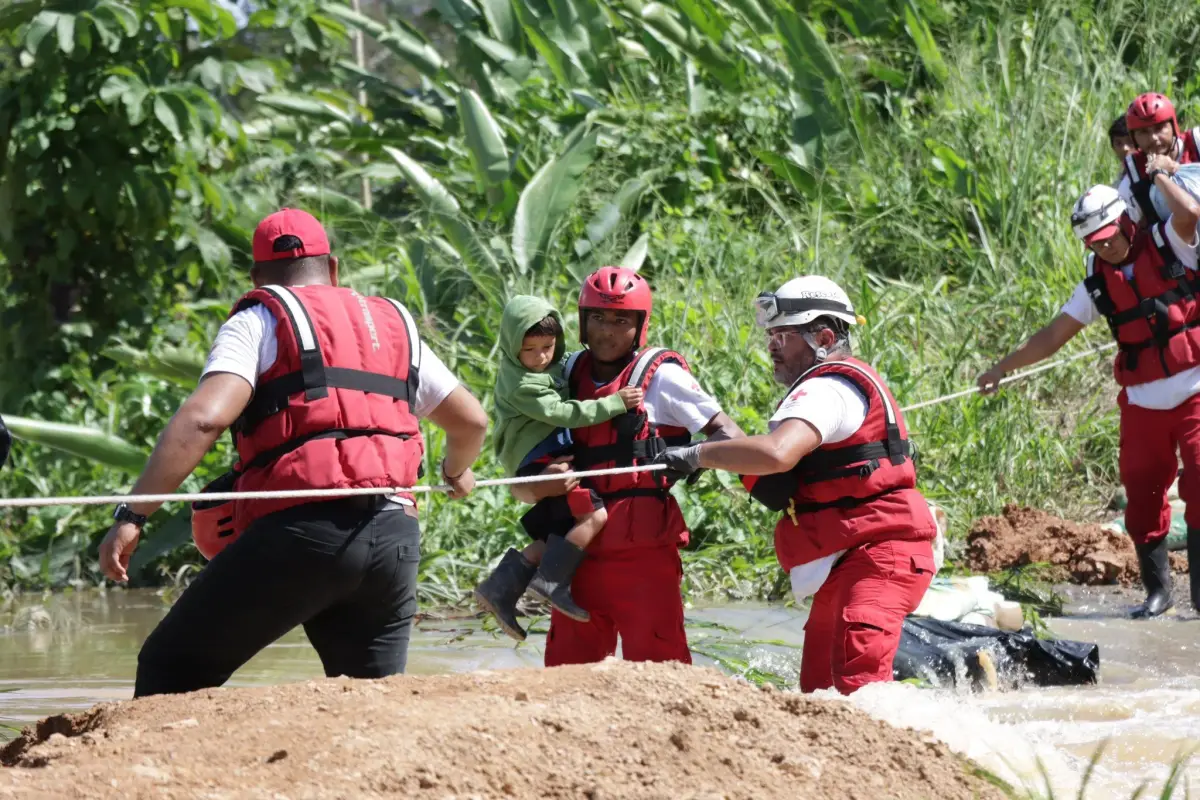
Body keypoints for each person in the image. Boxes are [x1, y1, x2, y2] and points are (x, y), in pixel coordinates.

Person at [98, 208, 488, 697]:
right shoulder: (392, 322)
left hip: (304, 535)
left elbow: (204, 418)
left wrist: (133, 512)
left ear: (258, 277)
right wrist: (455, 469)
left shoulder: (258, 319)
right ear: (334, 268)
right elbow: (471, 421)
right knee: (370, 700)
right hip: (394, 538)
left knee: (169, 669)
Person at [654, 276, 937, 695]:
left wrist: (699, 455)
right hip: (849, 559)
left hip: (876, 559)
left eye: (782, 336)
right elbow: (778, 475)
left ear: (823, 337)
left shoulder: (826, 389)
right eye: (770, 335)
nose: (771, 346)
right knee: (817, 696)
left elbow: (776, 454)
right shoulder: (833, 386)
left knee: (858, 696)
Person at [498, 266, 744, 666]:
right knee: (567, 679)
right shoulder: (559, 376)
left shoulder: (663, 378)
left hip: (643, 560)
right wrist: (540, 484)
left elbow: (730, 436)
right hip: (575, 562)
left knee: (663, 675)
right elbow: (518, 484)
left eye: (620, 319)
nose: (607, 331)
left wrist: (694, 457)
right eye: (597, 317)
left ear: (639, 325)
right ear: (581, 321)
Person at [978, 177, 1200, 618]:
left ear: (1126, 222)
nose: (1105, 249)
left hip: (1195, 390)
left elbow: (1190, 213)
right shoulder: (1096, 285)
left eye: (1109, 237)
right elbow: (1052, 336)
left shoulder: (1170, 242)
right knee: (1142, 493)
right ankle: (1158, 593)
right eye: (1094, 244)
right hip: (1142, 403)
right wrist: (1002, 367)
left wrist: (1157, 173)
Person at [474, 296, 643, 639]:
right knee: (595, 517)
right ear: (511, 347)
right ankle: (550, 584)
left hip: (547, 458)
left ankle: (497, 590)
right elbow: (564, 413)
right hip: (537, 461)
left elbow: (563, 365)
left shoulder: (551, 366)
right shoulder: (522, 384)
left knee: (554, 538)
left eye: (548, 347)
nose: (541, 358)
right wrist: (614, 402)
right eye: (530, 350)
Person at [1118, 92, 1200, 226]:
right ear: (1134, 138)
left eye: (1159, 128)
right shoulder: (1132, 180)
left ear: (1173, 126)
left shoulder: (1196, 143)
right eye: (1143, 132)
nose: (1153, 138)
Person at [1109, 114, 1136, 184]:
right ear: (1113, 148)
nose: (1124, 148)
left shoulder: (1152, 172)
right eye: (1118, 143)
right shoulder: (1119, 179)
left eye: (1130, 142)